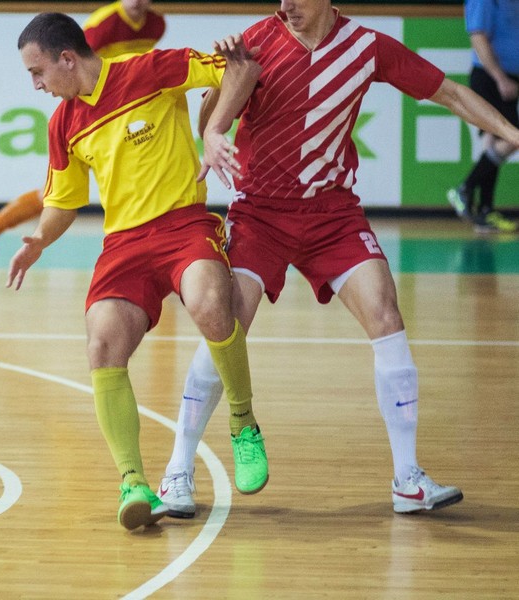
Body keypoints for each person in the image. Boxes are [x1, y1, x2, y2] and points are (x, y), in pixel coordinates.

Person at [159, 0, 519, 519]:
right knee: (224, 327)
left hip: (333, 214)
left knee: (386, 316)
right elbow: (207, 123)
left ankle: (407, 479)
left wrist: (512, 135)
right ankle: (178, 471)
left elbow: (451, 93)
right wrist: (223, 88)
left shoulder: (366, 47)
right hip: (260, 213)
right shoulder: (256, 40)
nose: (286, 6)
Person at [7, 12, 266, 530]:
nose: (36, 85)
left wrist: (214, 129)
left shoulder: (150, 70)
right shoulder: (63, 123)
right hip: (124, 244)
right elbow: (64, 201)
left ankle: (243, 421)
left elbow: (239, 69)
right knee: (102, 344)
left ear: (66, 58)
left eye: (38, 72)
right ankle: (133, 481)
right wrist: (40, 239)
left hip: (184, 224)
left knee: (211, 303)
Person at [0, 0, 167, 274]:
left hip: (127, 114)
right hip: (97, 117)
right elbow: (80, 74)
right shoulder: (102, 26)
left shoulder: (156, 25)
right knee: (53, 196)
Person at [446, 0, 518, 234]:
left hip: (508, 78)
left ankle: (486, 211)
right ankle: (465, 188)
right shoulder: (485, 1)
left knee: (492, 143)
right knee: (511, 136)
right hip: (491, 78)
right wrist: (500, 78)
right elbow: (478, 38)